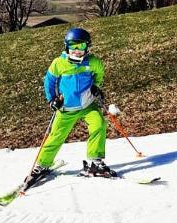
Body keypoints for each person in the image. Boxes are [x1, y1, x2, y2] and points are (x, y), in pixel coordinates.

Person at [25, 26, 115, 187]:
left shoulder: (93, 62)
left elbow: (99, 74)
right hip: (66, 109)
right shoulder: (59, 63)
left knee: (99, 124)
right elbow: (49, 81)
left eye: (81, 46)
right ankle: (43, 165)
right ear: (66, 46)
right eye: (73, 46)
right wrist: (51, 99)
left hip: (88, 105)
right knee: (56, 136)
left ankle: (95, 161)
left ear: (87, 46)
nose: (77, 50)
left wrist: (96, 85)